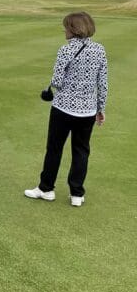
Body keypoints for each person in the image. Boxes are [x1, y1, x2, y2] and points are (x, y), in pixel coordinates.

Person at [24, 11, 107, 207]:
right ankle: (77, 194)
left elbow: (57, 81)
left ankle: (46, 189)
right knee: (81, 151)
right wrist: (100, 108)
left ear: (73, 29)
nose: (64, 30)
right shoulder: (100, 50)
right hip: (87, 111)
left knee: (54, 149)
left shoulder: (66, 50)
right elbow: (102, 83)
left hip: (63, 108)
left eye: (66, 27)